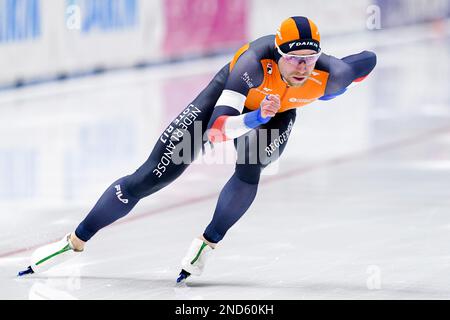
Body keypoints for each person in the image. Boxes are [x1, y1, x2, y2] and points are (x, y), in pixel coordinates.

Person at [18, 16, 377, 283]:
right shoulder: (252, 65)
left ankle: (208, 242)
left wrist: (331, 90)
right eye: (294, 58)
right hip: (225, 109)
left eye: (309, 59)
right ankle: (74, 241)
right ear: (278, 54)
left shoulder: (333, 74)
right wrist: (254, 117)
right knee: (149, 179)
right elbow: (218, 131)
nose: (302, 67)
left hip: (276, 115)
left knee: (251, 164)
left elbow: (368, 59)